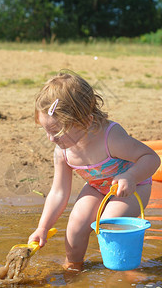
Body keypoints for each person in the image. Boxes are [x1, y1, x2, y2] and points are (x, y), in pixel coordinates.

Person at [28, 70, 160, 271]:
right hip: (98, 187)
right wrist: (43, 227)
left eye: (57, 132)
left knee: (108, 224)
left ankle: (127, 271)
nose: (51, 139)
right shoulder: (62, 151)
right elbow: (59, 192)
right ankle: (73, 267)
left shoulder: (110, 138)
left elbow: (151, 158)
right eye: (46, 130)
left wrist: (131, 176)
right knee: (75, 225)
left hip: (132, 187)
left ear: (86, 122)